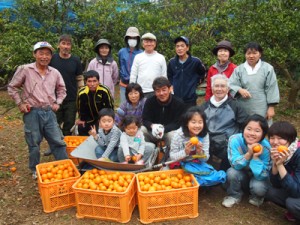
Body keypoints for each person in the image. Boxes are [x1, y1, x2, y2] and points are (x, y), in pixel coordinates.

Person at [7, 41, 68, 179]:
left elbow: (62, 89)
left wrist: (58, 102)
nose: (44, 57)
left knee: (57, 140)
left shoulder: (54, 72)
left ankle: (65, 166)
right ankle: (34, 169)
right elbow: (12, 87)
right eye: (41, 53)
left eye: (47, 54)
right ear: (34, 54)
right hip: (32, 112)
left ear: (51, 56)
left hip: (49, 111)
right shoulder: (25, 69)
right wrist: (20, 103)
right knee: (34, 143)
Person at [44, 34, 83, 156]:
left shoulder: (76, 60)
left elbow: (79, 78)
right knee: (53, 124)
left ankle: (64, 145)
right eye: (63, 43)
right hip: (54, 99)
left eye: (68, 44)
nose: (66, 46)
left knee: (69, 124)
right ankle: (53, 145)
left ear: (71, 46)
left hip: (71, 98)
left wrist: (82, 93)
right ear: (59, 45)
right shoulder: (53, 59)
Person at [199, 74, 249, 171]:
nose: (219, 89)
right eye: (216, 86)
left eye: (222, 86)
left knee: (225, 171)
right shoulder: (204, 106)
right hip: (207, 142)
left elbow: (246, 124)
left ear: (227, 89)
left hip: (227, 143)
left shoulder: (235, 106)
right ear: (212, 89)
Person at [222, 114, 271, 208]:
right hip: (241, 173)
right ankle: (234, 195)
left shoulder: (266, 148)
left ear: (263, 134)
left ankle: (257, 196)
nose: (252, 133)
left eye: (257, 131)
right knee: (231, 172)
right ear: (243, 129)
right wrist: (248, 154)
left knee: (259, 188)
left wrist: (256, 158)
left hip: (257, 178)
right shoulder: (235, 140)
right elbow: (234, 164)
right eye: (249, 129)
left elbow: (263, 175)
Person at [229, 42, 280, 124]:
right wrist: (239, 90)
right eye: (248, 53)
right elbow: (231, 84)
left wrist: (271, 107)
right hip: (243, 107)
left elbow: (272, 88)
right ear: (245, 55)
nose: (251, 56)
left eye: (254, 53)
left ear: (260, 54)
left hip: (261, 107)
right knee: (244, 128)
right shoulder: (239, 69)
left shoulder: (268, 68)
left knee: (261, 129)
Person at [265, 121, 300, 222]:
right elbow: (275, 184)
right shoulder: (282, 152)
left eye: (281, 138)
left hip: (297, 191)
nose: (275, 142)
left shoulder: (297, 154)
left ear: (290, 139)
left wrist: (280, 164)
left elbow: (296, 192)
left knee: (292, 203)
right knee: (270, 192)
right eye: (272, 138)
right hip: (296, 190)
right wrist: (275, 163)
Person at [141, 76, 185, 147]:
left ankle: (170, 156)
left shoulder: (179, 103)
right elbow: (145, 119)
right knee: (142, 130)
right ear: (155, 92)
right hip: (153, 131)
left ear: (170, 89)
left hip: (168, 132)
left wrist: (163, 129)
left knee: (172, 135)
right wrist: (152, 126)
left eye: (164, 90)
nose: (161, 93)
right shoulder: (149, 101)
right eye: (158, 91)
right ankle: (148, 151)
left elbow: (178, 123)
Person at [167, 36, 206, 108]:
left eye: (182, 46)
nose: (179, 48)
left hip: (190, 98)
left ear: (187, 48)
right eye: (177, 46)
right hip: (176, 98)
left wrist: (195, 83)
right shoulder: (172, 62)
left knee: (190, 118)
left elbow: (203, 73)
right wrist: (172, 85)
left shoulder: (195, 61)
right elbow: (170, 75)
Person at [76, 70, 114, 136]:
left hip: (102, 118)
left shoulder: (104, 90)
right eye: (89, 81)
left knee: (100, 132)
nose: (92, 84)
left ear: (98, 81)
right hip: (88, 119)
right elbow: (80, 108)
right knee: (81, 127)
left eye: (94, 81)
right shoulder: (81, 93)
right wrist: (81, 119)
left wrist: (105, 121)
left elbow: (110, 108)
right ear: (85, 82)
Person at [130, 32, 167, 98]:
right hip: (141, 91)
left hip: (156, 91)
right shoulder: (138, 57)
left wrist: (163, 91)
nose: (149, 44)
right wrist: (131, 89)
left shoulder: (161, 57)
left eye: (151, 41)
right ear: (143, 44)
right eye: (146, 42)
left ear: (155, 44)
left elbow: (164, 76)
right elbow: (133, 74)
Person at [118, 27, 143, 104]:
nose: (132, 40)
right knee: (124, 106)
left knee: (136, 107)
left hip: (137, 85)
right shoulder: (121, 52)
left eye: (134, 38)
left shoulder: (141, 53)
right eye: (130, 38)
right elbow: (121, 65)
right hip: (124, 84)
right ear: (127, 39)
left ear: (138, 39)